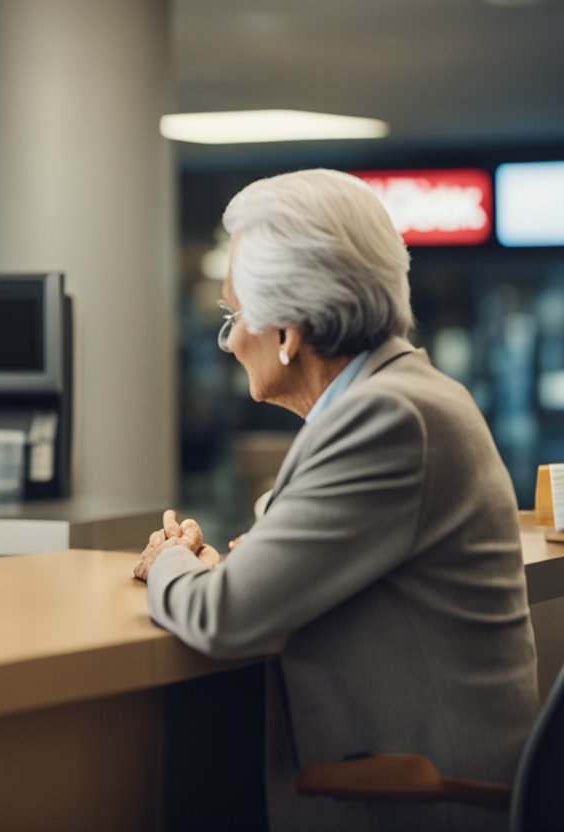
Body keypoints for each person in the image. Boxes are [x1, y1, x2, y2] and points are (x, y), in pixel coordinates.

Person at [133, 169, 538, 832]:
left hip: (429, 803)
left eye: (234, 317)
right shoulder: (408, 395)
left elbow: (222, 616)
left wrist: (171, 558)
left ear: (288, 332)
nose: (229, 342)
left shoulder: (389, 418)